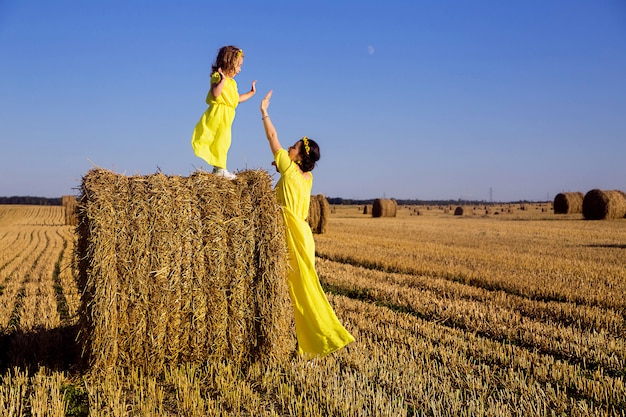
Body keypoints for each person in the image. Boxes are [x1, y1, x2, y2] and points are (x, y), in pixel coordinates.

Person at [260, 90, 355, 357]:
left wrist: (264, 112)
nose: (288, 148)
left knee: (298, 291)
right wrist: (282, 166)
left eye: (293, 147)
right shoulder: (307, 178)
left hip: (289, 233)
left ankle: (319, 338)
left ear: (299, 156)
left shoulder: (289, 168)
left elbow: (271, 137)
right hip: (304, 233)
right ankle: (313, 339)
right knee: (307, 288)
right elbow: (289, 177)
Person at [191, 45, 256, 180]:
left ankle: (218, 168)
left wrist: (251, 93)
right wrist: (222, 80)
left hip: (227, 116)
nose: (240, 69)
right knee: (221, 141)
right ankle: (220, 168)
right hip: (218, 115)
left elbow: (236, 99)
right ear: (229, 63)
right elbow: (215, 93)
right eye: (238, 66)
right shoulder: (218, 77)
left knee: (225, 141)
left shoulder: (232, 83)